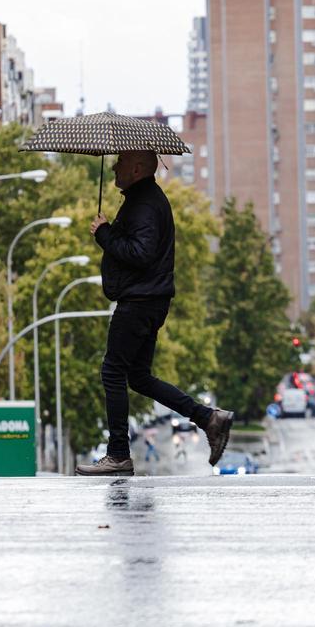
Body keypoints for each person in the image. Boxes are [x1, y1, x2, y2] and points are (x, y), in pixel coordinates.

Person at [75, 150, 233, 476]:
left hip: (140, 301)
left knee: (113, 372)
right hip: (149, 299)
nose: (115, 166)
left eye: (121, 161)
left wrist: (104, 234)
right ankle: (208, 418)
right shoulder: (141, 199)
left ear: (136, 168)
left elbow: (140, 253)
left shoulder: (145, 203)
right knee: (138, 376)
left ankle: (118, 454)